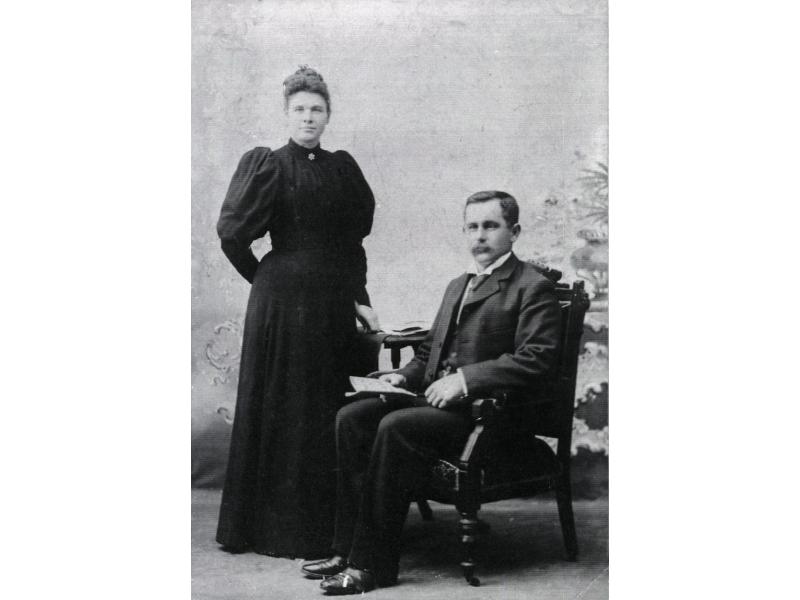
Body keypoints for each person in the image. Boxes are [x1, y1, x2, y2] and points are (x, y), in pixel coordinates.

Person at [301, 190, 563, 594]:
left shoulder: (532, 286)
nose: (480, 236)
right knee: (351, 418)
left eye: (491, 226)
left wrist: (465, 380)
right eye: (472, 227)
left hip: (491, 415)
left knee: (395, 426)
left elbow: (536, 358)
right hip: (443, 407)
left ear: (514, 232)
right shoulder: (458, 284)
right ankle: (345, 547)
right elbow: (430, 351)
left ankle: (372, 565)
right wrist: (404, 376)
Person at [215, 66, 381, 559]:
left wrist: (363, 300)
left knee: (325, 402)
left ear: (328, 116)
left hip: (332, 301)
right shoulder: (268, 164)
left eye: (317, 109)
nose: (308, 117)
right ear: (287, 114)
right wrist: (268, 282)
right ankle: (275, 530)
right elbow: (232, 236)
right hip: (283, 305)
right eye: (300, 109)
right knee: (285, 403)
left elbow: (352, 244)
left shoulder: (341, 168)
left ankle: (328, 528)